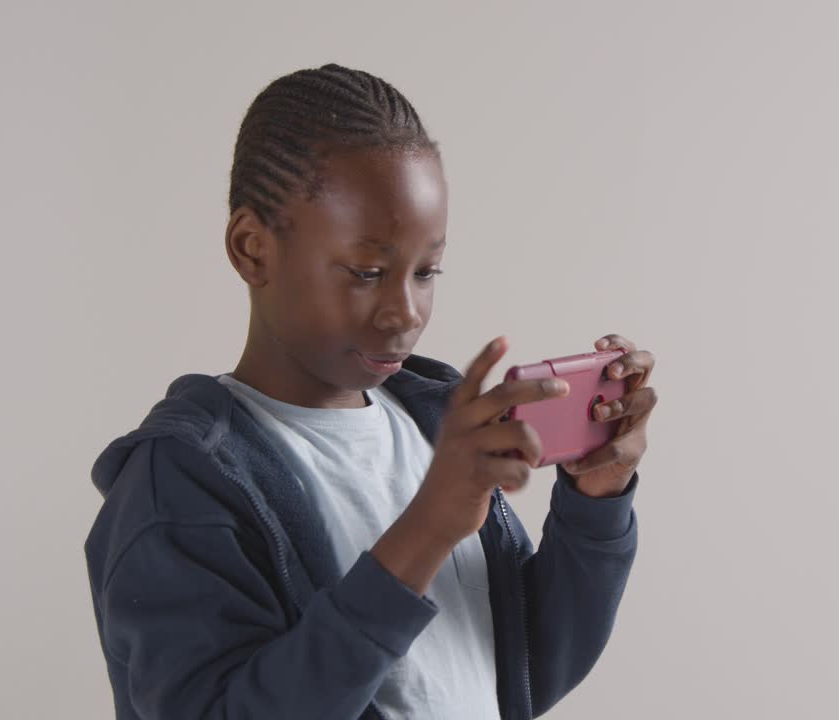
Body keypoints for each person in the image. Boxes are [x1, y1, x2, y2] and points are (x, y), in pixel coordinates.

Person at [83, 62, 659, 720]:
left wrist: (595, 502)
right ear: (252, 249)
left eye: (426, 271)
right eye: (367, 270)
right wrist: (425, 530)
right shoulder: (180, 481)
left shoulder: (433, 423)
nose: (404, 311)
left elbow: (524, 669)